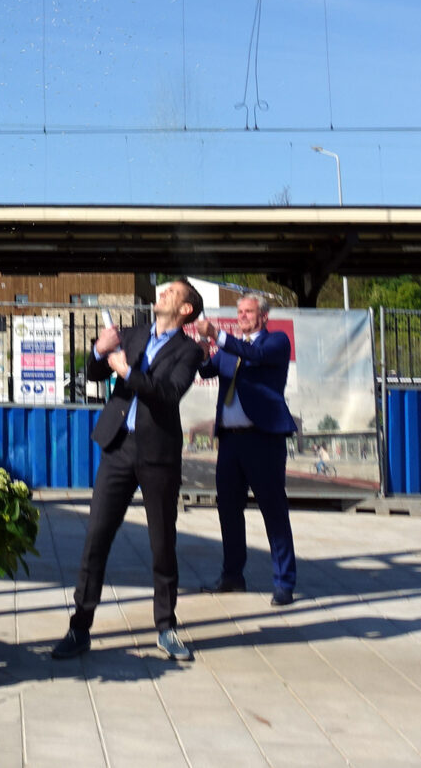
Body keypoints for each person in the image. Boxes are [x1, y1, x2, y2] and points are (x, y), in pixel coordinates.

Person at [51, 279, 208, 662]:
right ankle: (80, 627)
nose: (162, 295)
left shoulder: (189, 351)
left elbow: (167, 393)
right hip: (118, 446)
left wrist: (125, 371)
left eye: (171, 292)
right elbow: (92, 374)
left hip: (157, 453)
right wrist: (97, 351)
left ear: (186, 309)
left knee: (161, 543)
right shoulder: (135, 334)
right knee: (96, 537)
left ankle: (165, 627)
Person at [193, 293, 301, 606]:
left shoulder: (275, 341)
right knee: (228, 509)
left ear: (264, 316)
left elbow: (251, 353)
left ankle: (284, 582)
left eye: (248, 311)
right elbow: (207, 370)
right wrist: (202, 353)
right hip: (230, 440)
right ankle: (232, 575)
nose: (242, 316)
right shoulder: (230, 348)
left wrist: (216, 335)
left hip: (263, 438)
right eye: (239, 311)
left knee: (273, 511)